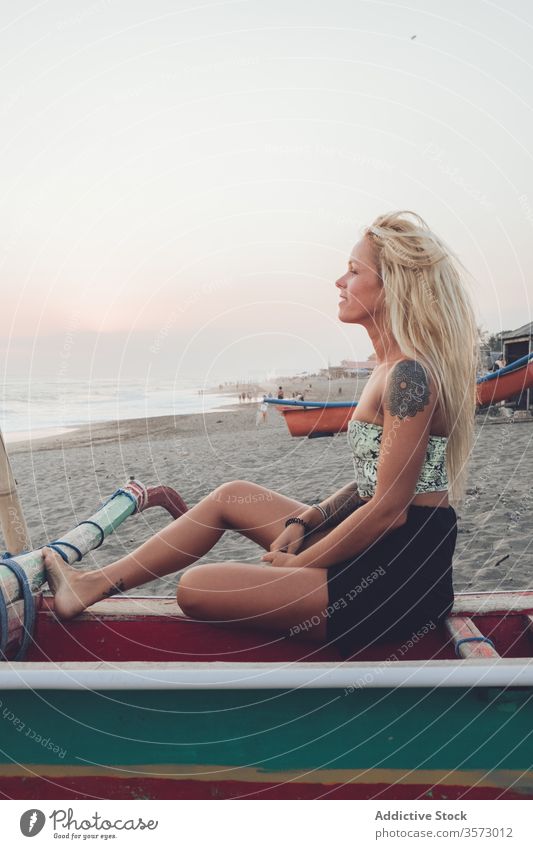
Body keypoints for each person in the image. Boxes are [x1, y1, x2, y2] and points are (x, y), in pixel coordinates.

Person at [42, 210, 478, 658]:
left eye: (353, 270)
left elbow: (390, 509)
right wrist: (305, 521)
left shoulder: (409, 376)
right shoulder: (387, 367)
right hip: (380, 539)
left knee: (196, 588)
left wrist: (301, 563)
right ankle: (90, 584)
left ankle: (97, 585)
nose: (338, 282)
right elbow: (374, 484)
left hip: (399, 570)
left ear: (393, 286)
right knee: (232, 495)